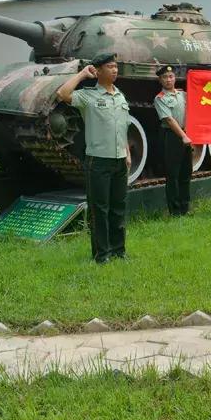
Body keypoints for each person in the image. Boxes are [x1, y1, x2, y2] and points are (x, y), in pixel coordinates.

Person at [56, 53, 132, 263]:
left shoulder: (120, 96)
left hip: (119, 160)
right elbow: (62, 93)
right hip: (98, 161)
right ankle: (102, 254)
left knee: (118, 208)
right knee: (100, 209)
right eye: (109, 67)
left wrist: (127, 152)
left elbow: (122, 127)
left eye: (116, 66)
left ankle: (119, 251)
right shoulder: (88, 96)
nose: (114, 70)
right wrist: (82, 74)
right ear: (97, 71)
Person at [153, 65, 192, 217]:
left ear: (175, 78)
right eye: (165, 77)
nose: (168, 80)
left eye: (171, 76)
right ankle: (175, 212)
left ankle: (185, 208)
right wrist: (183, 136)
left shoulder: (183, 95)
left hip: (186, 135)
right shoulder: (160, 98)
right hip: (172, 137)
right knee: (173, 175)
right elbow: (169, 120)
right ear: (160, 80)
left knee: (186, 173)